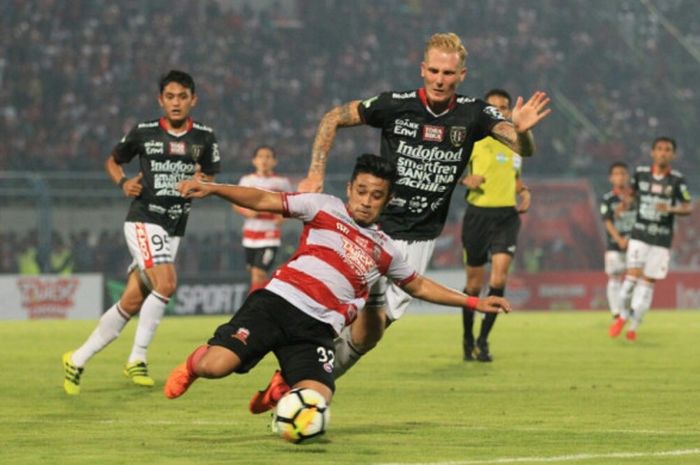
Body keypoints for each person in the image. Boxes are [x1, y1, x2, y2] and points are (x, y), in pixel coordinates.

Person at [293, 32, 550, 379]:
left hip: (419, 237)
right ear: (422, 70)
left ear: (462, 75)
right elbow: (333, 117)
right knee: (334, 307)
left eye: (448, 73)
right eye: (434, 71)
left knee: (374, 329)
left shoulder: (475, 113)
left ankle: (302, 380)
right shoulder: (395, 104)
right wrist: (315, 173)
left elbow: (523, 148)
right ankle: (302, 379)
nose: (440, 80)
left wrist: (523, 131)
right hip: (372, 227)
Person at [163, 154, 510, 409]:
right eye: (361, 191)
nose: (366, 201)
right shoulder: (323, 207)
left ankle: (281, 394)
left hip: (317, 329)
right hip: (276, 305)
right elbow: (263, 199)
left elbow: (418, 286)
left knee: (317, 400)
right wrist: (212, 188)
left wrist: (475, 301)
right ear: (350, 188)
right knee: (216, 367)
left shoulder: (384, 249)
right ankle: (194, 363)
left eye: (376, 196)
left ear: (386, 201)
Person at [62, 70, 221, 395]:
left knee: (132, 301)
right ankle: (137, 357)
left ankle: (77, 358)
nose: (176, 102)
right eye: (170, 97)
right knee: (167, 283)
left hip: (175, 225)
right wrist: (122, 181)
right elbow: (113, 160)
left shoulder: (204, 138)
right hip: (144, 218)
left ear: (194, 100)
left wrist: (203, 184)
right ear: (160, 100)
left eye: (182, 96)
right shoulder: (144, 132)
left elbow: (210, 176)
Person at [460, 89, 531, 362]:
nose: (500, 111)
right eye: (494, 107)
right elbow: (448, 173)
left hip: (506, 217)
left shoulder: (516, 145)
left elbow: (514, 179)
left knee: (499, 278)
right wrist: (465, 180)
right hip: (477, 216)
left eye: (504, 107)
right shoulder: (473, 140)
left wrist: (525, 192)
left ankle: (483, 341)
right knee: (474, 286)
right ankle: (467, 337)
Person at [609, 137, 692, 341]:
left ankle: (634, 327)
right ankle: (622, 316)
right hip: (640, 234)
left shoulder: (677, 181)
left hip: (662, 239)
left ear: (673, 155)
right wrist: (625, 205)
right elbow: (631, 195)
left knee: (647, 285)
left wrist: (670, 208)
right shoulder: (641, 174)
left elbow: (687, 206)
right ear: (653, 153)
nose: (663, 153)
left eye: (668, 150)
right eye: (660, 149)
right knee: (630, 281)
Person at [233, 146, 291, 292]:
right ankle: (267, 303)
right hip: (250, 235)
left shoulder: (281, 182)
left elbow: (292, 206)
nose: (264, 160)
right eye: (260, 156)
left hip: (270, 235)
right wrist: (246, 212)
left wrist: (283, 217)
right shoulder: (247, 181)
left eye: (268, 156)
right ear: (254, 160)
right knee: (255, 274)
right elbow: (235, 204)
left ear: (274, 161)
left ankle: (255, 311)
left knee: (258, 273)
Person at [600, 162, 636, 319]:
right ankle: (616, 312)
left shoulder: (636, 198)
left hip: (635, 245)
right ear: (610, 178)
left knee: (633, 278)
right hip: (614, 246)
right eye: (616, 174)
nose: (620, 177)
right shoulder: (608, 199)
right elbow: (607, 221)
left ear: (628, 176)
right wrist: (619, 239)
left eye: (623, 173)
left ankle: (627, 309)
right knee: (614, 277)